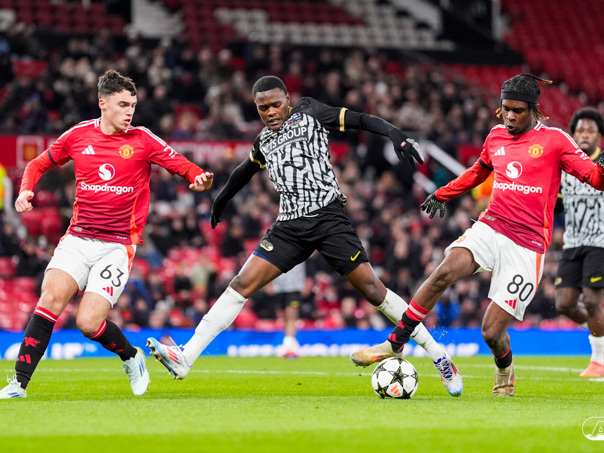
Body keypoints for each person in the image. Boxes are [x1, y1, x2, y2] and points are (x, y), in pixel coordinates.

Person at [147, 75, 463, 396]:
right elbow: (245, 169)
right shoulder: (263, 141)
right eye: (262, 108)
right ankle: (186, 357)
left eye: (275, 104)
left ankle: (439, 355)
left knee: (373, 291)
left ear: (287, 98)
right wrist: (221, 199)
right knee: (240, 285)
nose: (270, 112)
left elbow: (360, 119)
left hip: (328, 219)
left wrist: (395, 133)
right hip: (289, 227)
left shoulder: (310, 112)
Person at [351, 74, 604, 397]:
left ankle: (505, 368)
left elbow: (596, 179)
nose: (509, 116)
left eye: (517, 111)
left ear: (534, 110)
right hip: (492, 226)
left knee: (491, 332)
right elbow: (477, 172)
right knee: (445, 270)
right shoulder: (496, 136)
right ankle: (395, 341)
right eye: (505, 109)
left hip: (527, 245)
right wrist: (443, 193)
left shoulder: (556, 141)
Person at [0, 70, 214, 399]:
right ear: (103, 103)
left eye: (133, 105)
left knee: (88, 323)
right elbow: (36, 165)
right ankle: (19, 384)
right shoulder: (78, 135)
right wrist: (25, 190)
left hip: (116, 246)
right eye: (123, 105)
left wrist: (198, 178)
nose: (130, 112)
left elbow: (182, 165)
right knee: (49, 300)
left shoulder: (143, 140)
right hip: (77, 238)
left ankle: (131, 357)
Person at [555, 107, 604, 377]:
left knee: (592, 299)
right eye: (580, 130)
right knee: (564, 304)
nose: (584, 134)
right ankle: (601, 331)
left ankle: (599, 360)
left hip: (600, 241)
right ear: (573, 135)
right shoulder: (565, 166)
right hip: (572, 243)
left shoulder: (603, 163)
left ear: (598, 137)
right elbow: (557, 206)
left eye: (590, 131)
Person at [273, 262, 306, 358]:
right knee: (284, 318)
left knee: (291, 316)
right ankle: (289, 345)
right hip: (279, 287)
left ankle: (290, 348)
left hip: (294, 286)